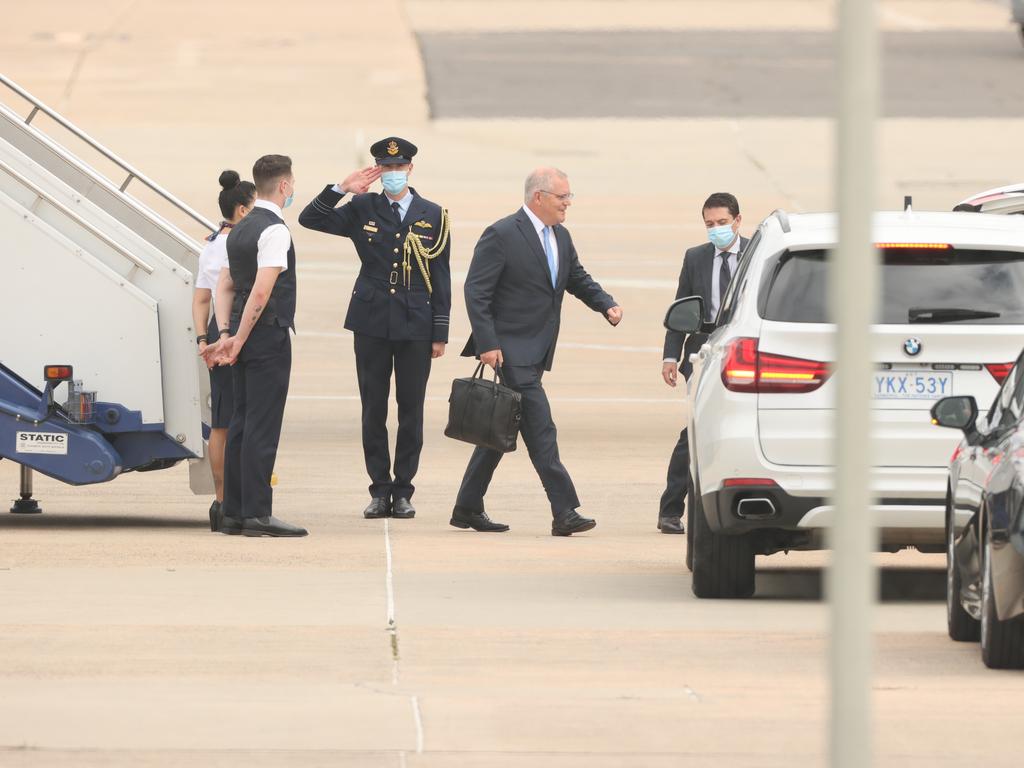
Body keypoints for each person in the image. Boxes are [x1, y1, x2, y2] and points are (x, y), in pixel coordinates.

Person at [453, 167, 623, 536]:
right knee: (541, 429)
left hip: (537, 348)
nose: (568, 203)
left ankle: (467, 506)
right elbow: (476, 291)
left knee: (501, 428)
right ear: (538, 197)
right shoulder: (501, 234)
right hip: (509, 351)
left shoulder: (560, 237)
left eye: (569, 196)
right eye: (563, 197)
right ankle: (565, 511)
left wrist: (605, 304)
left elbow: (575, 277)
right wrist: (487, 343)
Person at [298, 137, 451, 521]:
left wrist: (440, 331)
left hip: (416, 322)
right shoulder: (362, 206)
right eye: (387, 168)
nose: (394, 174)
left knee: (411, 410)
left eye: (400, 168)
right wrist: (340, 189)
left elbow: (442, 276)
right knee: (373, 408)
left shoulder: (434, 214)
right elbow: (310, 219)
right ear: (379, 170)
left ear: (411, 169)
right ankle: (379, 489)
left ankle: (404, 490)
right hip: (371, 322)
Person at [202, 154, 307, 537]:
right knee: (261, 426)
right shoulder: (275, 231)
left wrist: (225, 334)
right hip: (265, 337)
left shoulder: (241, 228)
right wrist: (240, 338)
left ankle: (232, 511)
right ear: (283, 185)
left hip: (243, 337)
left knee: (241, 423)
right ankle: (258, 515)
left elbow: (225, 284)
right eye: (292, 183)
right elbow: (261, 290)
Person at [658, 192, 749, 534]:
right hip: (703, 351)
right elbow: (682, 307)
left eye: (723, 223)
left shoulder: (757, 254)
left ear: (738, 221)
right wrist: (671, 355)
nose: (716, 230)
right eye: (710, 225)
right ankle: (670, 509)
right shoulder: (695, 257)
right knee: (695, 429)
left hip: (742, 348)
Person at [192, 170, 255, 531]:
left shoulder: (211, 245)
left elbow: (201, 299)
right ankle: (241, 499)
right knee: (245, 418)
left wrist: (203, 339)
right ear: (244, 211)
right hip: (240, 328)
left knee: (221, 422)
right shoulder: (246, 244)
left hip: (216, 329)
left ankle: (221, 501)